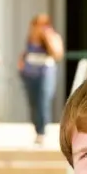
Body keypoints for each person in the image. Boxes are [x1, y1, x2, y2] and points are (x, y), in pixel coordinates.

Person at [18, 13, 64, 146]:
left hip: (45, 73)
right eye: (37, 24)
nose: (39, 28)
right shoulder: (30, 38)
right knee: (33, 103)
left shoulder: (53, 37)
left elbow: (57, 54)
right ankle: (36, 129)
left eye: (43, 25)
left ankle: (42, 132)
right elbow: (26, 53)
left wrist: (47, 38)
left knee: (43, 101)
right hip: (29, 74)